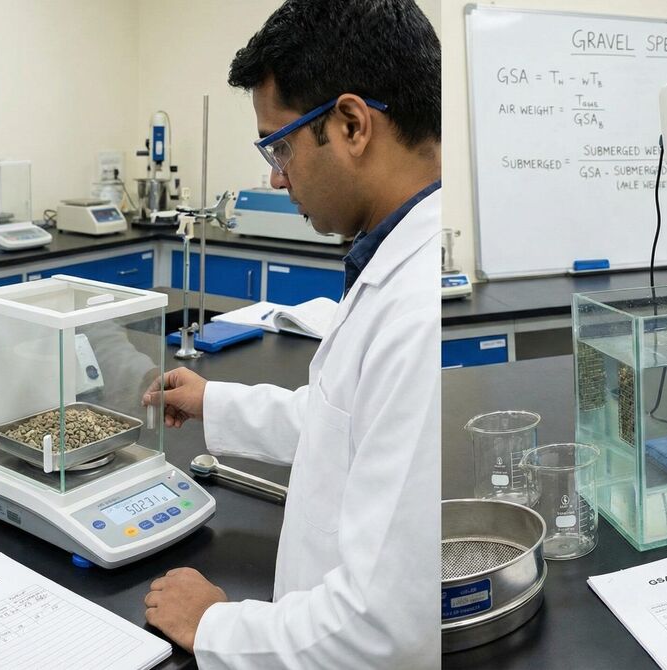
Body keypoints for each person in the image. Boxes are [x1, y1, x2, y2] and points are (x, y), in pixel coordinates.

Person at [140, 1, 441, 668]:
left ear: (352, 124)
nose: (276, 176)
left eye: (281, 144)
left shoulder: (415, 312)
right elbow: (351, 422)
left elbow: (382, 631)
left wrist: (217, 625)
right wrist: (217, 404)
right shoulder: (387, 260)